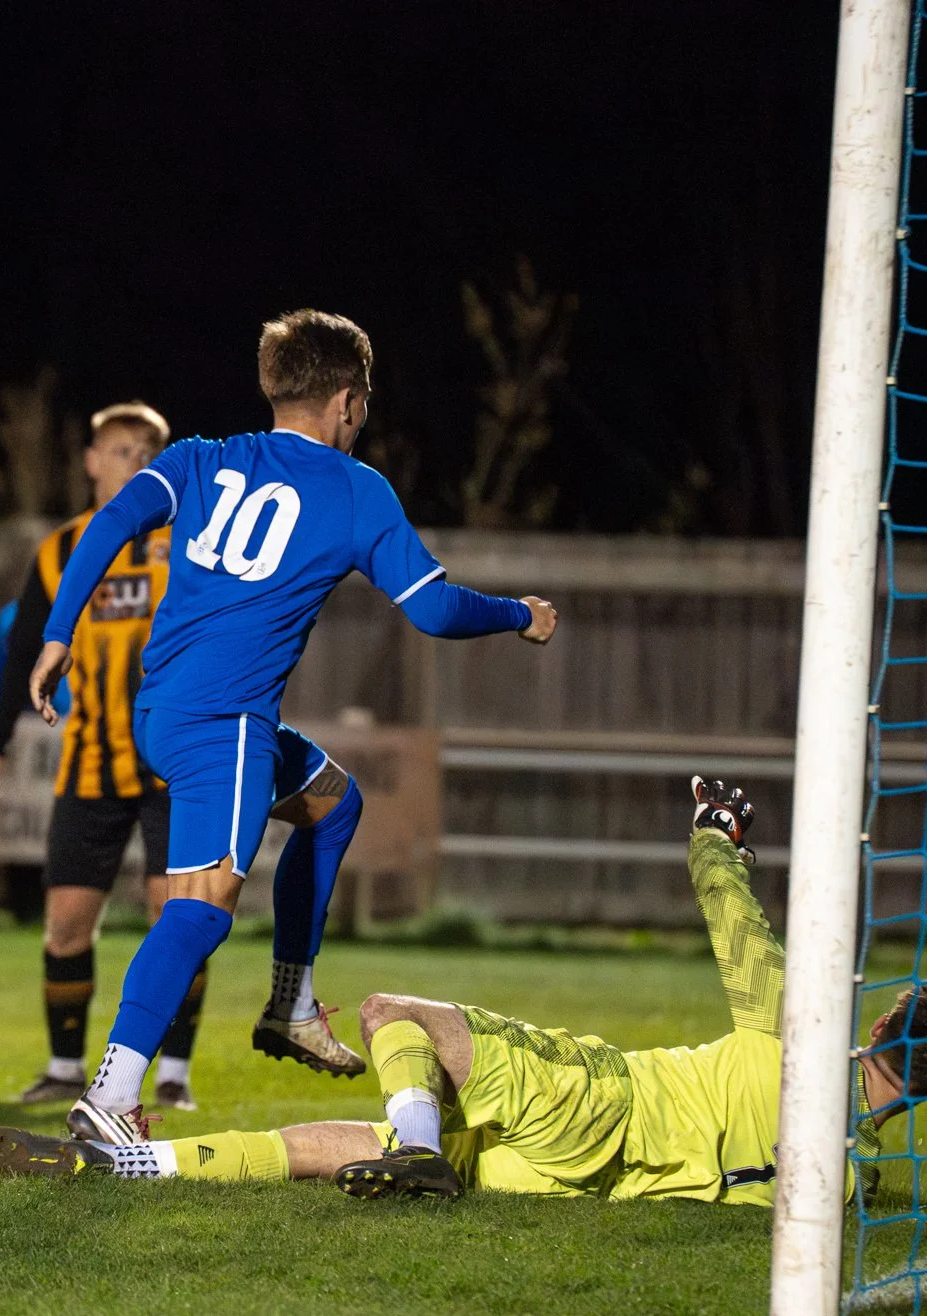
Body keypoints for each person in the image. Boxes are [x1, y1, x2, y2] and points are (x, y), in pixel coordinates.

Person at [28, 310, 558, 1144]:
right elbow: (435, 610)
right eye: (365, 403)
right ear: (348, 401)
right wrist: (518, 613)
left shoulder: (202, 458)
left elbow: (108, 524)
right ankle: (111, 1095)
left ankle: (292, 1002)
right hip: (227, 725)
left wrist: (58, 636)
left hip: (161, 712)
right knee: (200, 909)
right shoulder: (355, 490)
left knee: (332, 803)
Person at [0, 779, 927, 1201]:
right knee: (342, 1146)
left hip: (599, 1099)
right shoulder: (839, 1182)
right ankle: (135, 1163)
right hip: (585, 1182)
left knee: (392, 1013)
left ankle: (418, 1146)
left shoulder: (798, 1030)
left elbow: (736, 926)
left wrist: (714, 834)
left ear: (875, 1017)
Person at [0, 402, 211, 1112]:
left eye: (146, 450)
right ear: (92, 460)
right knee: (67, 920)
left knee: (180, 918)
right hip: (90, 766)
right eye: (119, 449)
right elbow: (23, 650)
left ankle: (173, 1074)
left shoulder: (192, 538)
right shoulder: (60, 549)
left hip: (175, 765)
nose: (132, 461)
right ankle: (64, 1064)